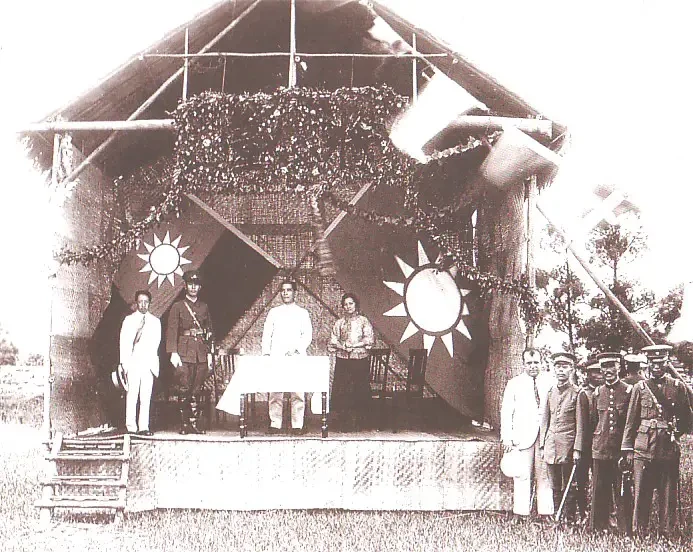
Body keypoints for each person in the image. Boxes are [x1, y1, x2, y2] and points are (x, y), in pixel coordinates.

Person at [621, 344, 692, 538]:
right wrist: (628, 449)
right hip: (643, 446)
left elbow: (687, 418)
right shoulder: (640, 387)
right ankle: (639, 530)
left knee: (667, 491)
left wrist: (675, 434)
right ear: (648, 363)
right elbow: (631, 421)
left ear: (667, 362)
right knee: (641, 490)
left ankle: (666, 530)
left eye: (661, 362)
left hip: (667, 446)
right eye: (653, 363)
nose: (657, 366)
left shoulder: (677, 387)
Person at [500, 348, 554, 518]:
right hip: (521, 437)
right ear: (523, 364)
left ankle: (546, 512)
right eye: (529, 363)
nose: (533, 366)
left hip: (544, 437)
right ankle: (520, 512)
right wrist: (507, 437)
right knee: (522, 474)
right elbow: (506, 411)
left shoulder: (550, 382)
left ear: (542, 363)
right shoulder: (514, 384)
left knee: (544, 475)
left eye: (536, 362)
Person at [588, 352, 633, 534]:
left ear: (619, 367)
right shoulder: (598, 393)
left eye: (611, 366)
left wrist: (628, 448)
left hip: (620, 449)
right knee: (600, 488)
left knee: (622, 489)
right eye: (604, 367)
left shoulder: (629, 391)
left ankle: (625, 528)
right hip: (601, 448)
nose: (608, 370)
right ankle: (598, 527)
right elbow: (593, 421)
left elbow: (632, 422)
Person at [540, 351, 588, 522]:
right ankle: (557, 516)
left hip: (568, 446)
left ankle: (569, 518)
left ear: (572, 369)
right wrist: (542, 445)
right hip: (551, 446)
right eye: (558, 367)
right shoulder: (550, 392)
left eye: (565, 367)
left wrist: (577, 449)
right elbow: (545, 420)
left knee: (569, 483)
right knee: (554, 484)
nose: (561, 370)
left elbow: (581, 425)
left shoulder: (578, 393)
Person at [262, 279, 313, 435]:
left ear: (294, 293)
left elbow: (307, 335)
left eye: (289, 290)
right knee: (275, 391)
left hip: (296, 356)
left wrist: (296, 349)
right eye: (283, 290)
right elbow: (267, 334)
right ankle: (275, 423)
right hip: (277, 356)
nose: (285, 293)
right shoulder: (273, 312)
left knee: (297, 391)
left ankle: (297, 424)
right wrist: (267, 353)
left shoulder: (302, 313)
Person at [166, 270, 214, 435]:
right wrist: (173, 352)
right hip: (184, 353)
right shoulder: (177, 306)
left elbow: (209, 331)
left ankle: (194, 423)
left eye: (196, 285)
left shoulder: (204, 307)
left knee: (197, 389)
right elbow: (172, 330)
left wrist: (209, 353)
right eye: (190, 284)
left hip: (200, 352)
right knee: (184, 388)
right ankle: (184, 424)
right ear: (185, 286)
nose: (193, 287)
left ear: (200, 287)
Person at [328, 292, 375, 432]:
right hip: (343, 360)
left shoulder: (363, 321)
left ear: (356, 305)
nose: (348, 306)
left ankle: (360, 423)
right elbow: (333, 341)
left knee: (359, 389)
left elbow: (369, 340)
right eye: (345, 304)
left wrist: (354, 346)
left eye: (351, 303)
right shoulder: (339, 323)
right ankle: (343, 423)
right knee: (342, 390)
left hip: (359, 360)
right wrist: (343, 347)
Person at [119, 290, 161, 436]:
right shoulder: (129, 320)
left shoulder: (155, 322)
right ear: (136, 303)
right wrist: (125, 364)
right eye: (140, 302)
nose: (143, 305)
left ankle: (144, 426)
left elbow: (156, 343)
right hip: (133, 361)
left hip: (147, 363)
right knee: (132, 395)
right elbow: (124, 343)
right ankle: (131, 426)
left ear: (150, 303)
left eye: (146, 302)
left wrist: (151, 363)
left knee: (145, 396)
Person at [574, 359, 604, 522]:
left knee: (602, 481)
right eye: (595, 372)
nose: (599, 375)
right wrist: (578, 448)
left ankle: (601, 514)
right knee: (582, 480)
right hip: (586, 444)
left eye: (600, 371)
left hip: (602, 445)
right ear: (588, 374)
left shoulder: (606, 392)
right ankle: (583, 512)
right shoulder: (584, 394)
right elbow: (581, 423)